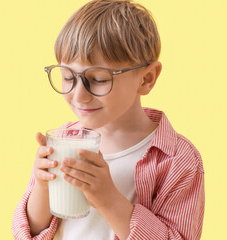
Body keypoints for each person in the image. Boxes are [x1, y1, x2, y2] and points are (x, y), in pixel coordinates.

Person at [12, 0, 205, 239]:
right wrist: (42, 188)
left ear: (146, 79)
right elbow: (28, 231)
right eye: (67, 76)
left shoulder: (178, 160)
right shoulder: (62, 142)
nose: (79, 96)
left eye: (99, 79)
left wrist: (109, 200)